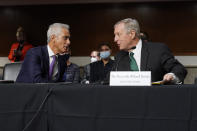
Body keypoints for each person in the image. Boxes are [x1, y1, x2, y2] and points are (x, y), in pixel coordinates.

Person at [113, 18, 187, 84]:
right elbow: (108, 81)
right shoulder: (119, 56)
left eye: (118, 34)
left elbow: (179, 68)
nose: (115, 39)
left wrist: (172, 75)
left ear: (132, 34)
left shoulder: (158, 50)